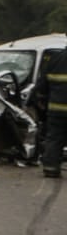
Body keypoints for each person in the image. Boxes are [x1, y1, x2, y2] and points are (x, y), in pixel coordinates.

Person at [40, 47, 67, 178]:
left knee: (54, 138)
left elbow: (43, 84)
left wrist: (42, 100)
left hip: (56, 108)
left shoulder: (55, 58)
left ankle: (50, 168)